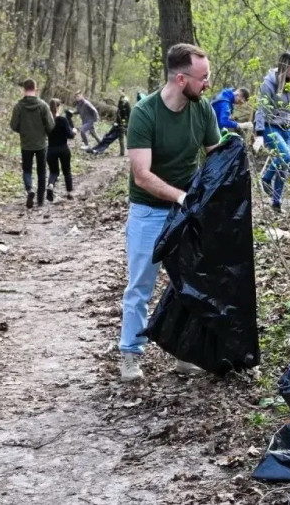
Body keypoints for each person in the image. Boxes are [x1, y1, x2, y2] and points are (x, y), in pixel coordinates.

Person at [119, 43, 223, 382]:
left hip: (186, 213)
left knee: (190, 284)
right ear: (181, 79)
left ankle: (185, 351)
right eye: (203, 77)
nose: (207, 83)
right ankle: (130, 356)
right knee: (140, 287)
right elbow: (141, 175)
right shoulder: (145, 113)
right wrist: (182, 197)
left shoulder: (203, 110)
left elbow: (217, 159)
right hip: (149, 212)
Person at [255, 51, 290, 212]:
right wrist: (259, 133)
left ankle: (277, 202)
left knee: (284, 165)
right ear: (285, 66)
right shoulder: (268, 84)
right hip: (271, 126)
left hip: (287, 129)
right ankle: (266, 178)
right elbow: (261, 108)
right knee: (285, 155)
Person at [9, 78, 54, 209]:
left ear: (23, 90)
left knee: (27, 170)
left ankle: (29, 190)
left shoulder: (19, 106)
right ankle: (40, 200)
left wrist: (23, 131)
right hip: (41, 144)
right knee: (41, 171)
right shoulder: (43, 105)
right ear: (36, 89)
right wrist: (44, 133)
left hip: (26, 143)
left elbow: (13, 125)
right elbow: (51, 126)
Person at [46, 98, 76, 201]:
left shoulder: (47, 121)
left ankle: (50, 185)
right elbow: (70, 135)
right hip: (63, 149)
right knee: (67, 171)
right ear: (58, 107)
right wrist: (74, 131)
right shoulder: (63, 120)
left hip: (51, 149)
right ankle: (69, 192)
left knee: (53, 172)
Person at [88, 91, 133, 156]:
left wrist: (123, 124)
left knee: (117, 138)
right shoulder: (120, 105)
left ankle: (127, 152)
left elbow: (127, 117)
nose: (121, 100)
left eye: (123, 99)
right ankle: (97, 148)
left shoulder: (127, 107)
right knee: (109, 137)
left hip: (123, 126)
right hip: (118, 125)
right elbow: (118, 115)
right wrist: (116, 122)